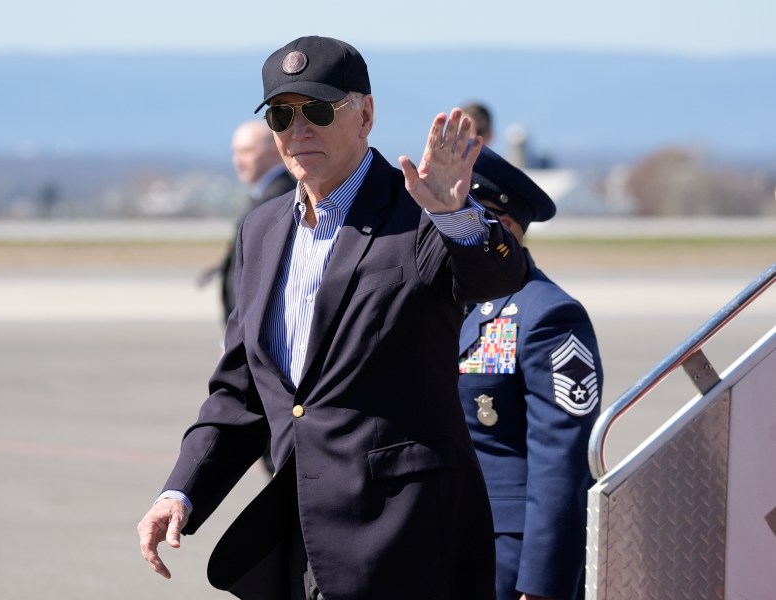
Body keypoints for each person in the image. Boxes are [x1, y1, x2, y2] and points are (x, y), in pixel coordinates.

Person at [137, 35, 528, 600]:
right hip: (302, 543)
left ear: (365, 114)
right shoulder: (261, 231)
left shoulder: (417, 211)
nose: (299, 130)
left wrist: (455, 215)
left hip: (408, 537)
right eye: (282, 113)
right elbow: (242, 391)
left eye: (318, 110)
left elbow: (499, 277)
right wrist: (181, 492)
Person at [458, 146, 603, 600]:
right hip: (440, 539)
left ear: (499, 227)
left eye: (456, 217)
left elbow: (562, 464)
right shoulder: (446, 303)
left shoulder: (547, 314)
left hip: (507, 556)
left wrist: (543, 585)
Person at [202, 120, 296, 325]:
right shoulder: (266, 194)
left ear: (275, 149)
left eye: (246, 151)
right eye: (234, 152)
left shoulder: (279, 198)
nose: (238, 160)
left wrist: (239, 337)